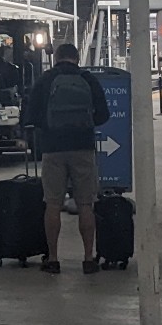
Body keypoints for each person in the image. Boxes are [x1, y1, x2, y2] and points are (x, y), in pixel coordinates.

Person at [25, 41, 109, 275]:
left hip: (53, 149)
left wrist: (48, 128)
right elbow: (103, 115)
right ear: (76, 58)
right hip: (83, 147)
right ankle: (88, 259)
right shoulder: (88, 79)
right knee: (85, 204)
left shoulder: (46, 79)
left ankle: (53, 259)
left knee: (52, 204)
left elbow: (31, 115)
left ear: (57, 58)